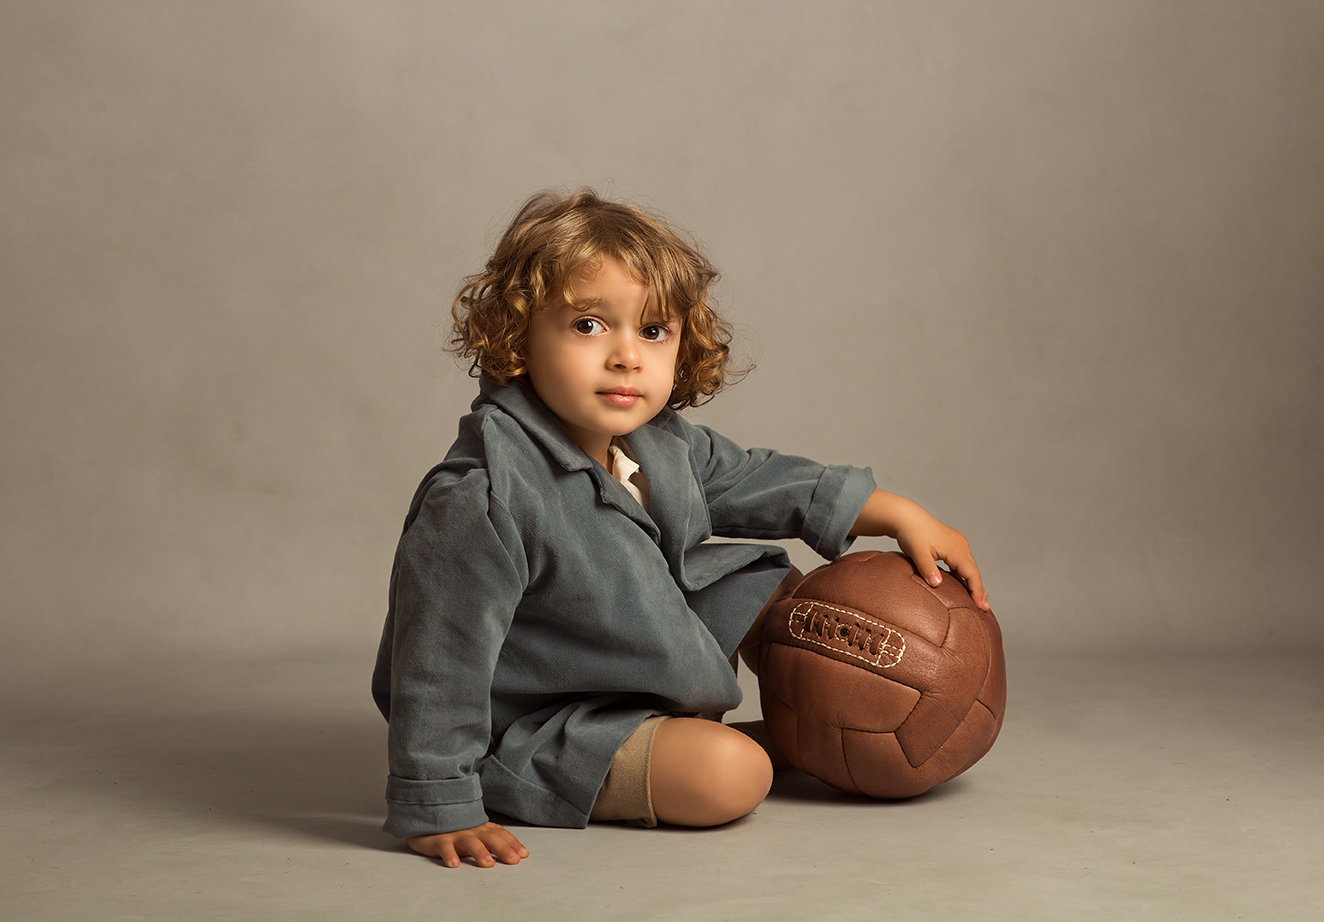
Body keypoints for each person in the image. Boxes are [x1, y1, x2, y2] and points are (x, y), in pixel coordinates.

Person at [371, 188, 988, 869]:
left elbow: (755, 479)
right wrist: (438, 800)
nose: (626, 356)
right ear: (518, 337)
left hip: (636, 661)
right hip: (544, 721)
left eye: (653, 331)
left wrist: (894, 511)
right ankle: (527, 775)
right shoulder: (484, 495)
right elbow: (438, 659)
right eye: (588, 325)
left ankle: (800, 730)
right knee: (732, 778)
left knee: (786, 592)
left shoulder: (659, 441)